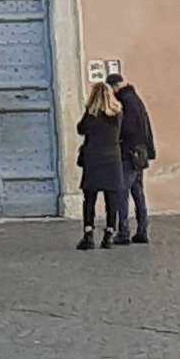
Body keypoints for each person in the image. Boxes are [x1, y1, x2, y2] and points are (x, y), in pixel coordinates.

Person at [75, 79, 129, 248]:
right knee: (111, 199)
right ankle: (109, 234)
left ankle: (88, 234)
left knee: (89, 198)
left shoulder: (91, 115)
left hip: (93, 158)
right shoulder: (118, 114)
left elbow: (80, 129)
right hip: (112, 159)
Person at [112, 67, 158, 244]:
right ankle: (142, 230)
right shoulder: (135, 99)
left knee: (122, 191)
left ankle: (123, 232)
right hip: (141, 152)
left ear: (115, 87)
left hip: (130, 152)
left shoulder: (126, 101)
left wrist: (118, 136)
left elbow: (129, 128)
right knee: (138, 192)